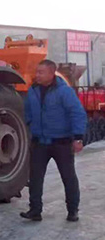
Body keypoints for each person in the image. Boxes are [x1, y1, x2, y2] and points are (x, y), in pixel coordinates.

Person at [20, 60, 87, 222]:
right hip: (40, 143)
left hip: (61, 143)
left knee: (68, 177)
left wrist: (78, 138)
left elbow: (77, 113)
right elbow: (27, 111)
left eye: (41, 72)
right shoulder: (33, 91)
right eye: (37, 71)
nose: (37, 75)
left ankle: (72, 210)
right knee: (35, 178)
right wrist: (30, 126)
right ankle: (35, 210)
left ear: (51, 73)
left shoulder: (64, 91)